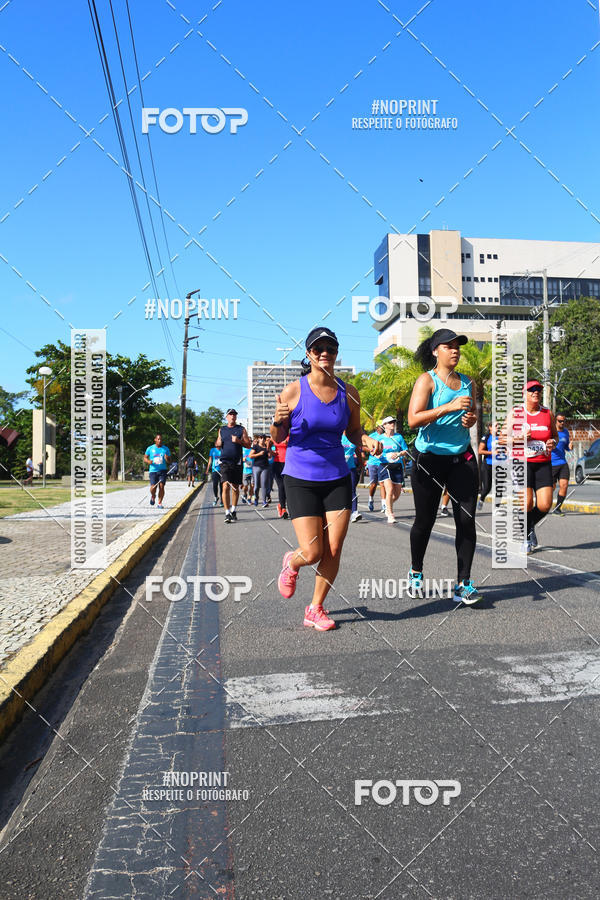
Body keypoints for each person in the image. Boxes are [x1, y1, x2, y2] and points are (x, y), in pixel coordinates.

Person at [272, 327, 381, 631]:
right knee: (312, 551)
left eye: (330, 349)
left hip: (336, 476)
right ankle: (292, 563)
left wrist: (367, 440)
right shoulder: (294, 391)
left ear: (336, 354)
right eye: (318, 349)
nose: (324, 354)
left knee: (334, 548)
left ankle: (315, 608)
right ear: (308, 354)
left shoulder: (349, 393)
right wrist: (277, 419)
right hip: (300, 477)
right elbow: (278, 436)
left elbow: (353, 431)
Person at [407, 328, 482, 605]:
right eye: (448, 346)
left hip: (461, 457)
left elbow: (471, 414)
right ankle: (416, 570)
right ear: (435, 351)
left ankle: (463, 583)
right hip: (428, 460)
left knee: (466, 519)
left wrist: (470, 419)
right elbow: (413, 419)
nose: (455, 351)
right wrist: (448, 407)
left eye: (457, 347)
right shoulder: (426, 381)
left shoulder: (468, 382)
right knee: (424, 521)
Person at [503, 380, 557, 552]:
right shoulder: (516, 413)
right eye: (531, 390)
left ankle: (529, 524)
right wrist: (520, 438)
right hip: (521, 462)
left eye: (538, 390)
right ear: (524, 394)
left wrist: (552, 443)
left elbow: (555, 436)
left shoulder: (548, 413)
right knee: (526, 503)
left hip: (543, 463)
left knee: (545, 505)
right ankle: (526, 538)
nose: (535, 392)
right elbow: (502, 439)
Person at [216, 410, 251, 522]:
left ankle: (233, 510)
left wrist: (239, 441)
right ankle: (227, 513)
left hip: (237, 462)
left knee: (235, 488)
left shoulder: (241, 429)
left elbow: (248, 445)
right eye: (231, 414)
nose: (233, 416)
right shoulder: (222, 429)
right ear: (226, 417)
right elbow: (217, 444)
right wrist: (218, 443)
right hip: (225, 462)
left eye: (234, 414)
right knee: (225, 485)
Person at [378, 416, 408, 524]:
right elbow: (373, 450)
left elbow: (405, 450)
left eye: (393, 422)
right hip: (385, 466)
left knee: (397, 494)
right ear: (384, 425)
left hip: (397, 466)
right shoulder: (380, 438)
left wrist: (399, 454)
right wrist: (378, 455)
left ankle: (387, 506)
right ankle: (390, 514)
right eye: (390, 422)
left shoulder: (398, 437)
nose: (392, 424)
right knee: (389, 490)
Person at [477, 422, 504, 510]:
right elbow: (480, 451)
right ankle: (481, 499)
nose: (498, 427)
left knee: (499, 488)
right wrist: (492, 452)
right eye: (496, 426)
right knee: (487, 488)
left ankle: (497, 507)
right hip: (488, 465)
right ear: (490, 427)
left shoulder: (502, 437)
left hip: (499, 465)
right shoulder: (486, 437)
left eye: (499, 426)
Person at [144, 434, 171, 508]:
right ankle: (153, 496)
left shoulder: (165, 449)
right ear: (155, 440)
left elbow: (169, 461)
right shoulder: (150, 448)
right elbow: (145, 458)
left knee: (161, 486)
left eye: (161, 439)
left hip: (162, 470)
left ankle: (159, 503)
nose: (160, 441)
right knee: (153, 487)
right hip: (153, 471)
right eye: (158, 439)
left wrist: (167, 458)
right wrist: (148, 461)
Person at [551, 414, 571, 516]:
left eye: (563, 421)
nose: (562, 423)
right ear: (555, 421)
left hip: (562, 462)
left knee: (564, 485)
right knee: (552, 487)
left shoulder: (566, 432)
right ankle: (542, 504)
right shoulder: (550, 432)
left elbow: (566, 447)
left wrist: (569, 447)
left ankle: (557, 508)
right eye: (560, 421)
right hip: (551, 463)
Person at [341, 432, 362, 523]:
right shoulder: (337, 435)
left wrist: (361, 463)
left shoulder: (353, 437)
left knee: (352, 490)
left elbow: (357, 450)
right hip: (337, 469)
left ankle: (354, 512)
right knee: (340, 491)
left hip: (351, 468)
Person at [366, 424, 386, 513]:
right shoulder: (371, 436)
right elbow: (363, 447)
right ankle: (370, 499)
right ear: (377, 427)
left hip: (383, 462)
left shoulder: (386, 436)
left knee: (383, 484)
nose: (382, 428)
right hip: (373, 463)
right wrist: (371, 449)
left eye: (383, 426)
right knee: (373, 485)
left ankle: (384, 504)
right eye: (381, 426)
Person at [249, 434, 271, 508]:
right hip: (256, 467)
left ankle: (264, 501)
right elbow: (250, 456)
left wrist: (268, 448)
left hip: (265, 467)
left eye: (263, 438)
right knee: (256, 486)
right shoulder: (255, 446)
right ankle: (256, 498)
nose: (262, 439)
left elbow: (270, 456)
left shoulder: (266, 447)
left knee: (264, 485)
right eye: (261, 438)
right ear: (258, 439)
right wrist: (259, 454)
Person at [272, 436, 289, 518]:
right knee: (281, 486)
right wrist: (271, 452)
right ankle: (283, 508)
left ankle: (281, 505)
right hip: (277, 463)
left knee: (287, 486)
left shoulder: (290, 436)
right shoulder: (275, 437)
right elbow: (267, 448)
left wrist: (288, 444)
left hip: (289, 463)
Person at [206, 440, 222, 506]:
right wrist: (207, 469)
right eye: (216, 443)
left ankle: (222, 500)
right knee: (214, 485)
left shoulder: (223, 450)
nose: (217, 444)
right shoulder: (212, 450)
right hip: (214, 470)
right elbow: (210, 460)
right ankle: (216, 497)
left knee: (222, 486)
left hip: (222, 470)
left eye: (218, 442)